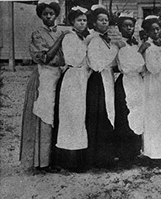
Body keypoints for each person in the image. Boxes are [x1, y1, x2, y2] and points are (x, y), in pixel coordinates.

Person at [20, 0, 66, 172]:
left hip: (58, 75)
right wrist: (60, 39)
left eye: (51, 14)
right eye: (45, 14)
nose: (48, 16)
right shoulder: (37, 34)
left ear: (56, 15)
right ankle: (43, 161)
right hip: (43, 76)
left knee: (56, 116)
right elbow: (45, 57)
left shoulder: (60, 32)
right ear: (41, 16)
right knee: (44, 117)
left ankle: (56, 158)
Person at [54, 6, 90, 172]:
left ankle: (80, 158)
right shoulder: (69, 38)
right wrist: (87, 49)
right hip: (72, 79)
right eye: (79, 20)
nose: (82, 23)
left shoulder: (82, 38)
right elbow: (74, 59)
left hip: (82, 79)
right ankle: (69, 159)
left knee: (80, 117)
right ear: (72, 22)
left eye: (84, 20)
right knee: (71, 117)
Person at [85, 5, 118, 168]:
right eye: (101, 20)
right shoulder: (93, 39)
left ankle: (106, 156)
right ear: (94, 22)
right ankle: (97, 157)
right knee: (100, 115)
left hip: (107, 78)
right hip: (98, 80)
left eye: (106, 20)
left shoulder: (104, 39)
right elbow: (96, 64)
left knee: (108, 113)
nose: (104, 23)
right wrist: (114, 52)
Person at [114, 12, 145, 166]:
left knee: (138, 112)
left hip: (137, 82)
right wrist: (139, 56)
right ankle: (124, 154)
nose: (129, 28)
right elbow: (127, 66)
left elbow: (142, 66)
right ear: (120, 28)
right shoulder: (119, 45)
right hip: (126, 81)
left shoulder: (136, 43)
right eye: (125, 26)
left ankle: (135, 151)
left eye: (131, 26)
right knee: (125, 115)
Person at [139, 15, 161, 161]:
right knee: (153, 117)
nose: (156, 32)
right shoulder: (149, 47)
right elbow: (153, 67)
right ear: (147, 32)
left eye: (158, 29)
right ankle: (152, 153)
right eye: (153, 30)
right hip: (153, 84)